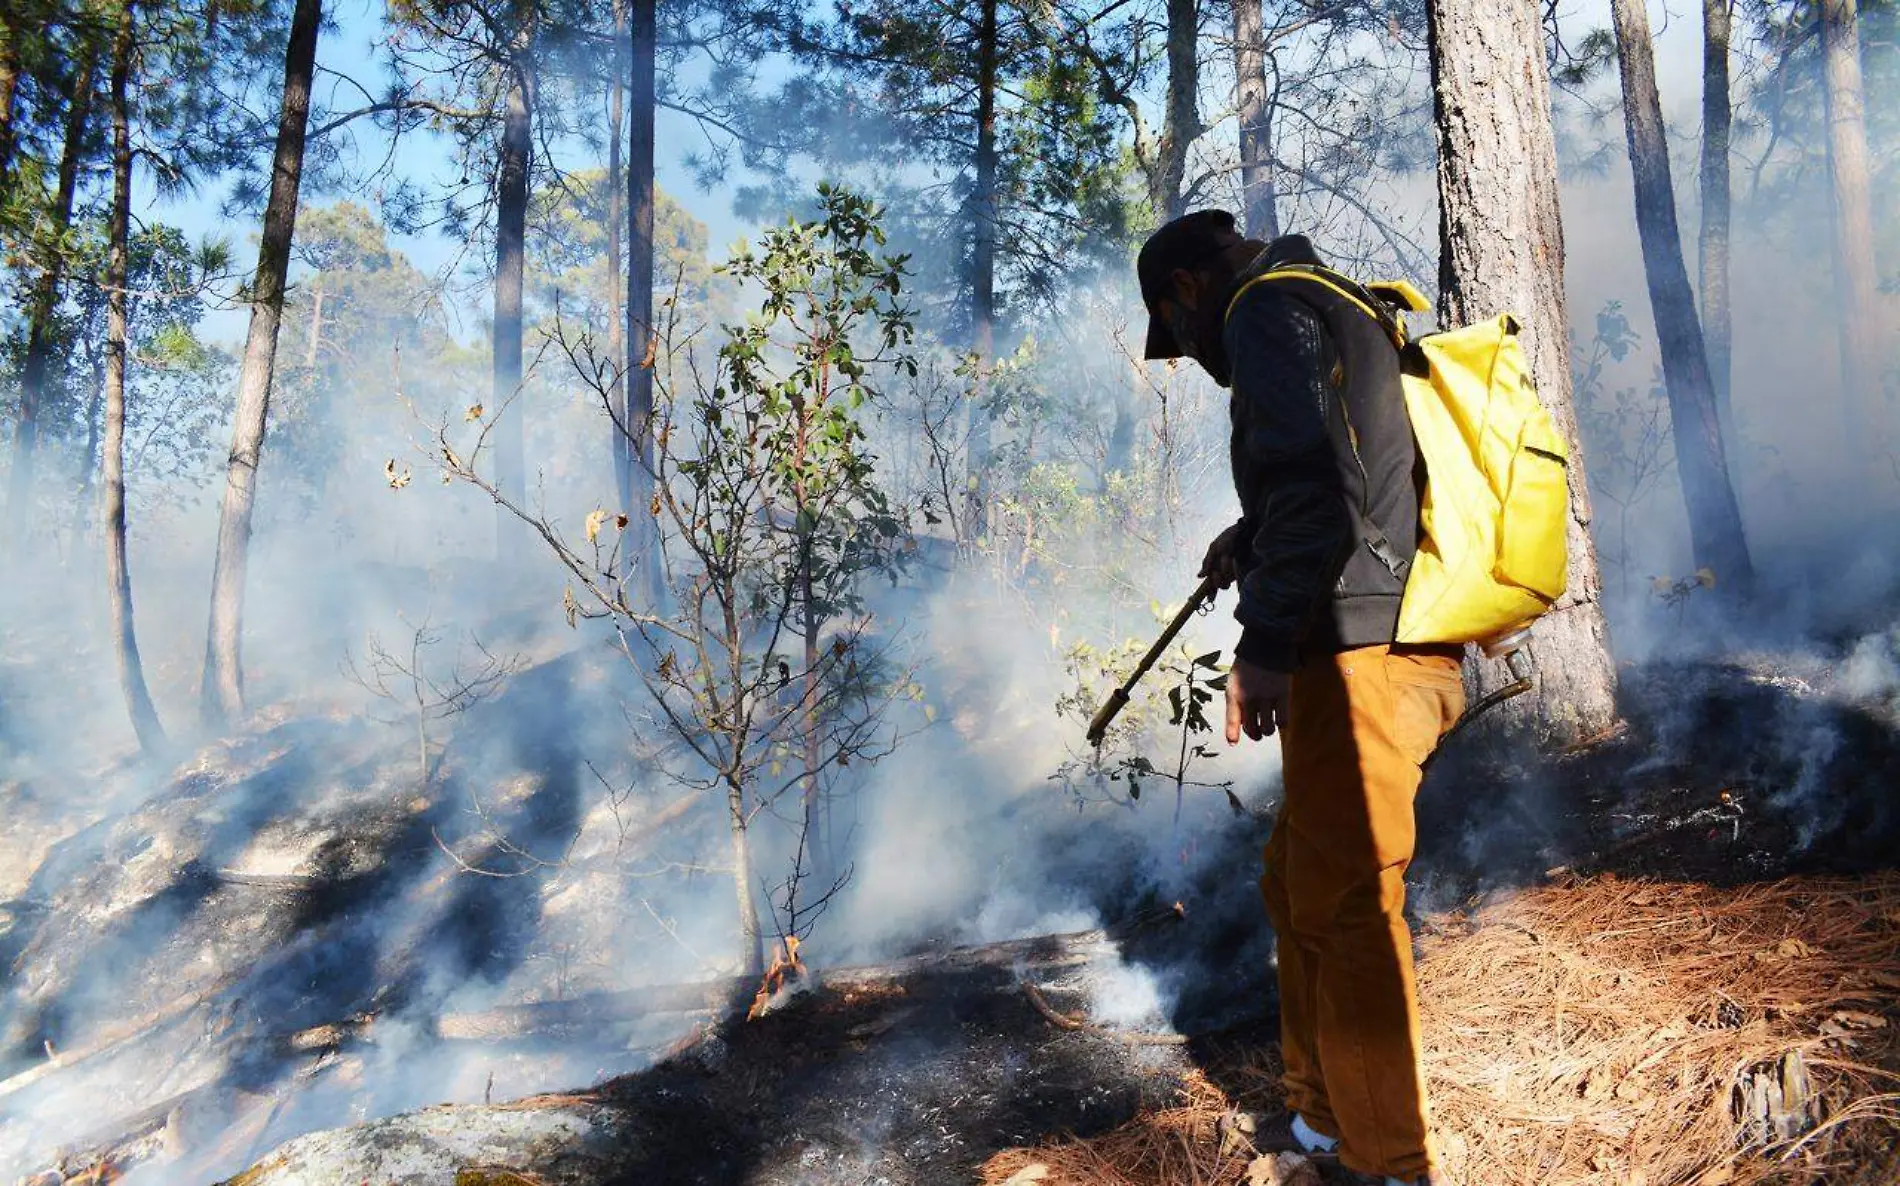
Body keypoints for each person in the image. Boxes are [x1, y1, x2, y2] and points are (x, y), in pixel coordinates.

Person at [1137, 209, 1464, 1186]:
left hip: (1362, 647)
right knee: (1297, 879)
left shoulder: (1264, 309)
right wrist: (1254, 530)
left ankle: (1388, 1161)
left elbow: (1316, 491)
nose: (1192, 354)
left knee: (1353, 900)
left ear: (1187, 288)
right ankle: (1323, 1119)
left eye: (1176, 332)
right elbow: (1349, 472)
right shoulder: (1326, 298)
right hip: (1376, 634)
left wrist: (1264, 643)